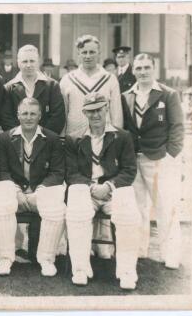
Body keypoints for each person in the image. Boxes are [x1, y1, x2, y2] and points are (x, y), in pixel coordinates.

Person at [64, 92, 141, 289]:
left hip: (112, 191)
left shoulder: (122, 136)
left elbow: (129, 170)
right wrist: (91, 187)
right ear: (84, 113)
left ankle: (127, 272)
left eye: (99, 109)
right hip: (87, 191)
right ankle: (80, 269)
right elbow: (71, 173)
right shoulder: (74, 139)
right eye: (90, 111)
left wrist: (108, 186)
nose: (95, 115)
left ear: (106, 108)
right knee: (76, 207)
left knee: (128, 214)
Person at [121, 53, 184, 268]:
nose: (143, 72)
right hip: (134, 158)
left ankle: (171, 253)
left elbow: (177, 127)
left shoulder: (168, 94)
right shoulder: (126, 96)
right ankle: (140, 248)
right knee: (137, 207)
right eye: (138, 68)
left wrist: (170, 154)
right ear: (133, 71)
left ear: (154, 68)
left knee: (165, 206)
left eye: (147, 67)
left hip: (159, 158)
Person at [0, 97, 65, 276]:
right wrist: (17, 192)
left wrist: (39, 191)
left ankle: (46, 259)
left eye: (33, 114)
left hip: (41, 194)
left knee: (57, 206)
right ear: (18, 115)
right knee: (0, 200)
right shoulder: (4, 138)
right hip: (14, 192)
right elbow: (2, 170)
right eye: (24, 113)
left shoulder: (52, 138)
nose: (28, 117)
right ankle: (5, 258)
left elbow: (57, 172)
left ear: (40, 116)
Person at [60, 35, 123, 137]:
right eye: (84, 52)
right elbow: (63, 114)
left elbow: (116, 114)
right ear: (78, 54)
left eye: (92, 52)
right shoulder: (67, 79)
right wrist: (62, 137)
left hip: (104, 138)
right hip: (75, 139)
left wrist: (117, 137)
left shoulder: (110, 79)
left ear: (99, 53)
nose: (88, 56)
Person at [3, 45, 65, 135]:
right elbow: (6, 119)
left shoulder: (52, 86)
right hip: (17, 143)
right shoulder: (9, 88)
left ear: (38, 62)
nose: (28, 65)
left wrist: (41, 137)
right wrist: (21, 137)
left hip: (46, 142)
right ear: (18, 63)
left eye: (32, 61)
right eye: (25, 61)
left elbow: (58, 117)